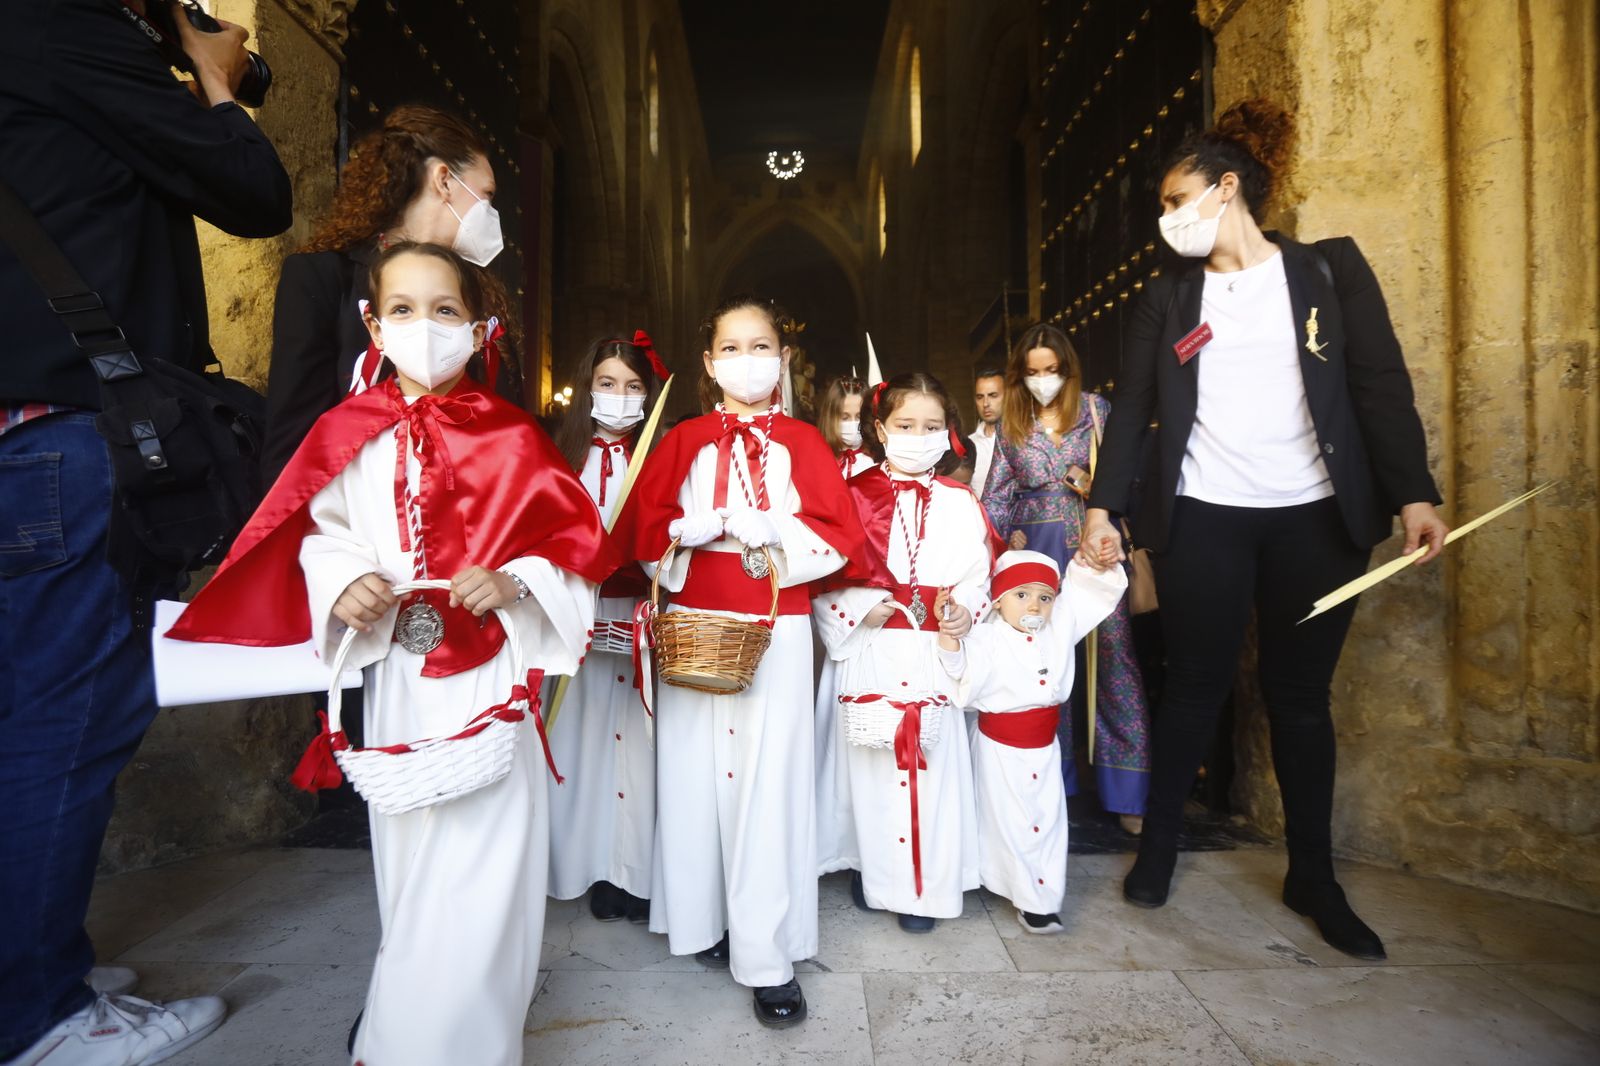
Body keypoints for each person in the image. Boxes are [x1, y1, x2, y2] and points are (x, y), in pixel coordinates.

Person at [169, 243, 617, 1063]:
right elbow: (320, 534)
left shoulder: (514, 437)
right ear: (374, 326)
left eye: (445, 310)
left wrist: (515, 579)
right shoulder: (345, 432)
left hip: (491, 681)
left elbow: (572, 551)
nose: (424, 326)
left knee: (487, 874)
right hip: (402, 681)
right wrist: (342, 580)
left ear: (477, 330)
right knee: (411, 872)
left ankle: (458, 1044)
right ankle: (405, 1033)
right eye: (403, 310)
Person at [1078, 99, 1449, 961]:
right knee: (1194, 687)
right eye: (1163, 207)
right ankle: (1159, 846)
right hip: (1205, 514)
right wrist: (1103, 507)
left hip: (1316, 518)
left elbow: (1380, 385)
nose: (1168, 219)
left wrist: (1414, 496)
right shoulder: (1169, 298)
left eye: (1178, 200)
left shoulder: (1328, 270)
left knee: (1300, 700)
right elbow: (1133, 408)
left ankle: (1313, 876)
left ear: (1227, 188)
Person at [0, 3, 291, 1062]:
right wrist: (211, 74)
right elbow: (254, 192)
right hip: (63, 442)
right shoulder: (65, 28)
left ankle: (30, 963)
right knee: (67, 722)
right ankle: (38, 1014)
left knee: (25, 715)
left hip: (19, 436)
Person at [611, 294, 863, 1028]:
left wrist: (775, 528)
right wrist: (686, 533)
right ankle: (706, 921)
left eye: (761, 348)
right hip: (694, 624)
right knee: (695, 779)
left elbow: (839, 535)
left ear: (782, 360)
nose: (746, 361)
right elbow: (643, 530)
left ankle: (767, 954)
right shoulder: (684, 439)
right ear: (709, 361)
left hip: (776, 624)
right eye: (731, 348)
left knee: (767, 786)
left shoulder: (804, 443)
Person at [814, 373, 1000, 933]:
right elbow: (821, 572)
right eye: (906, 425)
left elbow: (978, 575)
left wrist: (965, 611)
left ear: (948, 432)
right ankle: (869, 866)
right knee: (867, 762)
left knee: (929, 762)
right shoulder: (851, 493)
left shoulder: (961, 501)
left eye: (932, 426)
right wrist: (855, 607)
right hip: (870, 644)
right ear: (880, 429)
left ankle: (926, 885)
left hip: (930, 651)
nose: (919, 437)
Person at [263, 104, 509, 481]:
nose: (491, 213)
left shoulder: (480, 298)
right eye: (486, 194)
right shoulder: (322, 277)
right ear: (445, 181)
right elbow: (292, 442)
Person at [981, 325, 1152, 833]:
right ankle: (1054, 781)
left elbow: (1128, 474)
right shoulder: (1012, 424)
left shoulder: (1097, 410)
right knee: (1046, 662)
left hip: (1095, 547)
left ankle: (1129, 791)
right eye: (1032, 372)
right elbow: (996, 497)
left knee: (1115, 661)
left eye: (1051, 370)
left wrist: (1106, 502)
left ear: (1067, 370)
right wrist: (997, 548)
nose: (1042, 380)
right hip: (1036, 551)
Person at [546, 332, 669, 923]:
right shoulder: (558, 456)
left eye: (633, 386)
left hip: (640, 616)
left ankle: (635, 872)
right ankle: (588, 864)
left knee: (638, 746)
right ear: (587, 387)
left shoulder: (663, 460)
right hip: (575, 615)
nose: (619, 396)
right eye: (607, 383)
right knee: (583, 739)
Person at [937, 550, 1126, 933]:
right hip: (999, 749)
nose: (1035, 606)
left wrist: (1098, 558)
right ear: (998, 600)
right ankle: (1006, 884)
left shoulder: (1060, 626)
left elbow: (1089, 590)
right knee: (1006, 821)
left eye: (1045, 597)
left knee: (1045, 819)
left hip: (1044, 749)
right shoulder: (986, 635)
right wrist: (947, 635)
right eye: (1021, 595)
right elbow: (957, 669)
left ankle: (1040, 898)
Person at [815, 375, 875, 479]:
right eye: (844, 418)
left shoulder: (879, 462)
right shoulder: (818, 461)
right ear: (830, 418)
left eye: (859, 417)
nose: (853, 424)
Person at [970, 366, 1005, 493]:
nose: (985, 403)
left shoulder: (1024, 440)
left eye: (993, 395)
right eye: (980, 397)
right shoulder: (969, 445)